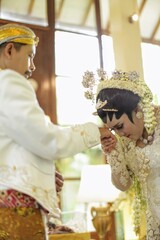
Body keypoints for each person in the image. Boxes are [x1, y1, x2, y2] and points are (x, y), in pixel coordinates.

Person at [0, 23, 114, 240]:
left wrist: (39, 174)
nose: (32, 66)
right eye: (30, 56)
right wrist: (94, 132)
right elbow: (48, 139)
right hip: (14, 213)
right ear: (10, 50)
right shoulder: (8, 82)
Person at [82, 68, 160, 240]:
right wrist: (113, 153)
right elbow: (124, 184)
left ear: (138, 109)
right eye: (112, 129)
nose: (120, 134)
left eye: (119, 126)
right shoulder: (124, 142)